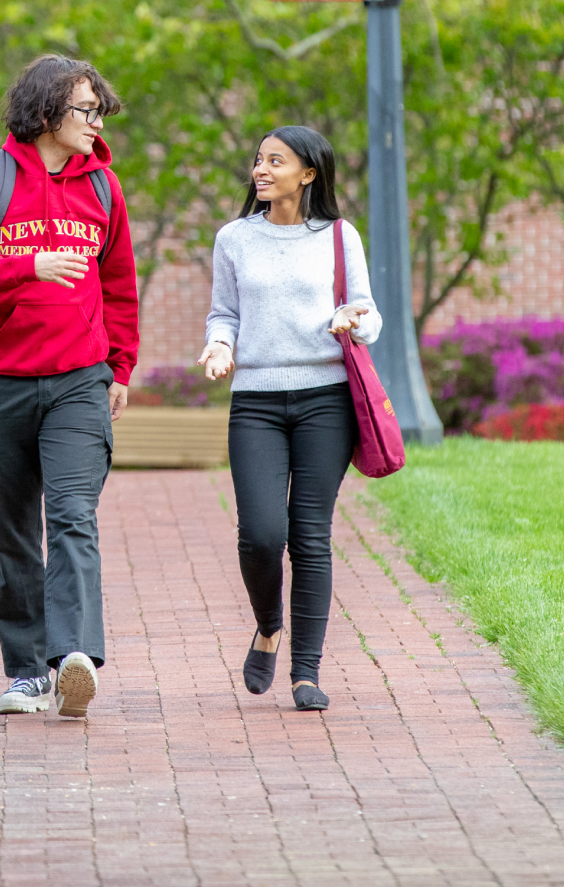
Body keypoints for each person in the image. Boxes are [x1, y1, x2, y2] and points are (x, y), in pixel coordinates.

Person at [0, 54, 139, 719]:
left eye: (98, 108)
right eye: (85, 109)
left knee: (73, 515)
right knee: (15, 531)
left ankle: (74, 657)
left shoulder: (104, 189)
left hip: (79, 382)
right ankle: (26, 673)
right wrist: (27, 264)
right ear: (47, 112)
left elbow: (119, 289)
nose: (96, 121)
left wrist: (120, 367)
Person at [198, 126, 380, 712]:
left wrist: (352, 320)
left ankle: (306, 672)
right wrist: (220, 346)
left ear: (308, 174)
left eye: (275, 161)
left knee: (309, 537)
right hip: (255, 402)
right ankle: (268, 626)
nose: (261, 169)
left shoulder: (338, 236)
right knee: (260, 535)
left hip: (326, 399)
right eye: (258, 160)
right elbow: (223, 312)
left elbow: (368, 313)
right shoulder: (234, 238)